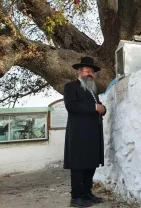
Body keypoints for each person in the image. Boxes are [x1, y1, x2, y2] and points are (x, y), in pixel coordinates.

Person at [64, 56, 106, 207]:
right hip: (78, 134)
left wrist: (103, 109)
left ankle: (87, 193)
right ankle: (76, 197)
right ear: (79, 72)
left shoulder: (93, 90)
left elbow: (99, 106)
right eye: (87, 71)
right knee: (78, 166)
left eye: (92, 72)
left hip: (93, 134)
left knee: (91, 164)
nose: (90, 74)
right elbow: (71, 106)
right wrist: (95, 108)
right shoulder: (71, 87)